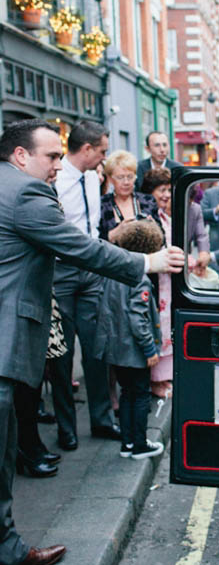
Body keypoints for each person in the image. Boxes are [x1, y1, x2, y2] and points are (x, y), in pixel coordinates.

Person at [0, 119, 183, 565]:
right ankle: (6, 551)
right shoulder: (26, 194)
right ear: (21, 157)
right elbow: (79, 247)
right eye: (52, 156)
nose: (58, 165)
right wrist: (147, 260)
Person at [51, 121, 118, 451]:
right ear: (87, 149)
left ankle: (103, 420)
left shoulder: (94, 177)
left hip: (91, 273)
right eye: (103, 150)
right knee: (61, 356)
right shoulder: (54, 177)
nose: (105, 156)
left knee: (97, 349)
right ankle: (66, 429)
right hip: (59, 273)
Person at [94, 220, 165, 460]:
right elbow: (138, 319)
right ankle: (139, 444)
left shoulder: (114, 272)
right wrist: (149, 349)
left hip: (116, 348)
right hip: (134, 350)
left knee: (126, 394)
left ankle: (127, 443)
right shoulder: (141, 280)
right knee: (141, 395)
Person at [140, 168, 210, 397]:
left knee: (168, 325)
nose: (167, 195)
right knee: (157, 323)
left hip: (171, 277)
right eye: (162, 191)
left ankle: (164, 376)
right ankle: (155, 380)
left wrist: (202, 255)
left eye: (169, 191)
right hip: (155, 275)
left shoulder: (188, 210)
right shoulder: (151, 215)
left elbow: (201, 237)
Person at [99, 151, 161, 242]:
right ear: (110, 179)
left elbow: (162, 238)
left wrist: (153, 228)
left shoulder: (148, 201)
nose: (126, 182)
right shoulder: (102, 204)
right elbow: (95, 240)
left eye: (130, 177)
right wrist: (116, 232)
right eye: (120, 177)